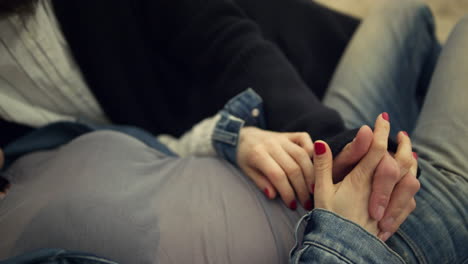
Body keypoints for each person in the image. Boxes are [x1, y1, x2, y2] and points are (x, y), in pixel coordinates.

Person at [0, 0, 417, 235]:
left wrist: (329, 139)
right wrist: (223, 138)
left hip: (290, 74)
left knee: (406, 25)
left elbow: (221, 40)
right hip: (264, 173)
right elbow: (103, 150)